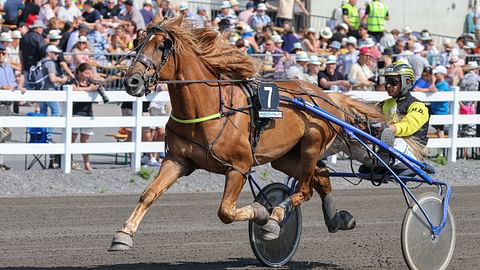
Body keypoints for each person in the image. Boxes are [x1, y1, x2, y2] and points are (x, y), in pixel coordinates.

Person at [370, 61, 430, 170]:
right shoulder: (384, 104)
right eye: (387, 81)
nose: (388, 85)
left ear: (407, 82)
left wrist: (389, 129)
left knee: (397, 142)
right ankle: (380, 160)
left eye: (393, 82)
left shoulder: (418, 106)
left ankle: (382, 160)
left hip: (412, 151)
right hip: (389, 146)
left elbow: (409, 125)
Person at [71, 63, 101, 171]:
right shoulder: (74, 81)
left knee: (85, 140)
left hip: (88, 113)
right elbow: (73, 89)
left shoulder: (90, 82)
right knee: (72, 139)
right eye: (85, 73)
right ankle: (69, 161)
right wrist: (89, 89)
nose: (87, 75)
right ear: (79, 72)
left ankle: (87, 163)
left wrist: (97, 86)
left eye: (89, 73)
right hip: (75, 113)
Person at [0, 43, 21, 170]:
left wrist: (19, 87)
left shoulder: (8, 67)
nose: (1, 55)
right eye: (0, 53)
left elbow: (12, 83)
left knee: (6, 133)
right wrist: (2, 87)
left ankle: (0, 162)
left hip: (8, 103)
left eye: (3, 53)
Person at [20, 19, 46, 89]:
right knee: (39, 87)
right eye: (41, 28)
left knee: (28, 88)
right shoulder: (39, 37)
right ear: (37, 28)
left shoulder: (23, 38)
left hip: (26, 67)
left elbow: (21, 54)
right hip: (37, 67)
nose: (42, 30)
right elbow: (42, 52)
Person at [430, 65, 451, 139]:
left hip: (440, 111)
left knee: (440, 130)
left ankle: (442, 145)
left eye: (436, 74)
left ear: (442, 74)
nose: (434, 75)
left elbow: (434, 90)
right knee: (439, 129)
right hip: (435, 109)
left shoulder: (444, 84)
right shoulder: (438, 83)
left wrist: (432, 82)